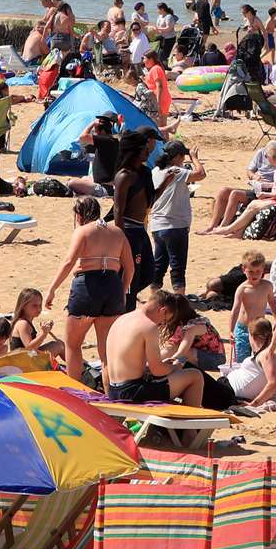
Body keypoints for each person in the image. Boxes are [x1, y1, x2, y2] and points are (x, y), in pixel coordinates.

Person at [47, 196, 133, 372]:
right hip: (112, 287)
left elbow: (68, 262)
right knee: (106, 353)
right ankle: (109, 395)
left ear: (79, 214)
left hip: (87, 287)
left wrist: (52, 290)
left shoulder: (83, 232)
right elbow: (130, 268)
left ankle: (75, 393)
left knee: (73, 346)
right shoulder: (117, 232)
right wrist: (123, 291)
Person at [104, 290, 203, 406]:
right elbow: (157, 370)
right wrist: (175, 366)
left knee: (167, 389)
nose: (161, 325)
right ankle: (189, 422)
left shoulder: (121, 319)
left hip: (113, 391)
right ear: (162, 310)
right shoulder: (148, 327)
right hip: (133, 393)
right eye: (164, 321)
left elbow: (129, 364)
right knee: (195, 376)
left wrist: (155, 367)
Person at [203, 141, 276, 238]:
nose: (266, 158)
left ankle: (228, 229)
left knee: (253, 205)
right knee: (252, 204)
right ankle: (235, 231)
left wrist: (265, 194)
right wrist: (264, 185)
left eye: (267, 157)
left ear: (275, 158)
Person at [149, 139, 204, 294]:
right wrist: (195, 158)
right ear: (178, 157)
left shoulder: (156, 171)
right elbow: (201, 174)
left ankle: (154, 297)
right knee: (178, 267)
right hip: (175, 226)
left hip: (158, 225)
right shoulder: (176, 172)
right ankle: (179, 300)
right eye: (183, 156)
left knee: (159, 266)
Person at [113, 129, 158, 305]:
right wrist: (121, 237)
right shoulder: (124, 176)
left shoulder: (145, 173)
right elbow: (118, 210)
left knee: (148, 273)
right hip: (129, 231)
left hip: (140, 229)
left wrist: (165, 184)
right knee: (131, 275)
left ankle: (124, 296)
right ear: (135, 151)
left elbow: (150, 201)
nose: (148, 152)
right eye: (144, 149)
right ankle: (125, 304)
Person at [229, 251, 276, 363]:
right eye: (250, 271)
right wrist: (231, 330)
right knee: (241, 358)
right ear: (244, 269)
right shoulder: (243, 289)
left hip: (260, 328)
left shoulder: (267, 286)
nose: (254, 275)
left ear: (263, 270)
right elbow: (235, 310)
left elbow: (272, 302)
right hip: (243, 328)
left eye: (258, 271)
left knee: (261, 357)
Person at [224, 317, 276, 407]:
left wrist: (254, 404)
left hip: (230, 391)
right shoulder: (261, 352)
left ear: (253, 336)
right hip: (229, 387)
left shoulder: (267, 355)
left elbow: (273, 384)